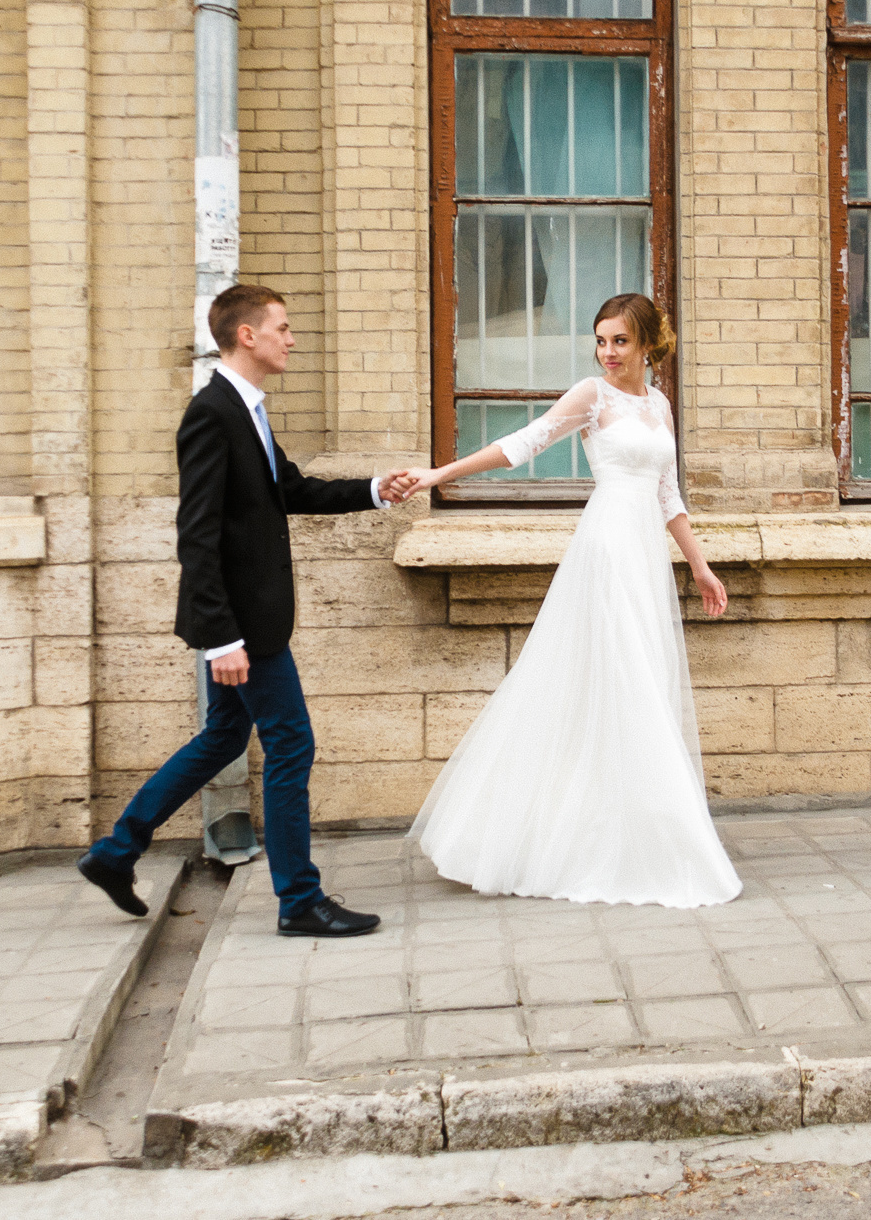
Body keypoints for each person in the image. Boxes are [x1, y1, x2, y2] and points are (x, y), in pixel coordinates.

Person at [78, 284, 417, 937]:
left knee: (223, 737)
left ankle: (116, 852)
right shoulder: (212, 414)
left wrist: (376, 489)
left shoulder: (249, 411)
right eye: (282, 328)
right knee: (292, 742)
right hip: (242, 625)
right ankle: (298, 901)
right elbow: (197, 535)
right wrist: (222, 637)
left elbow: (289, 490)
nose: (292, 339)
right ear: (247, 336)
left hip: (244, 621)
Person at [392, 294, 741, 907]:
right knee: (616, 677)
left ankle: (629, 830)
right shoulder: (591, 395)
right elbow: (520, 444)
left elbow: (669, 494)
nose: (608, 353)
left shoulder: (658, 404)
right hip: (606, 548)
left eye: (621, 342)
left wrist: (701, 567)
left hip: (644, 558)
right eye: (601, 341)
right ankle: (607, 840)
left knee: (641, 681)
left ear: (649, 344)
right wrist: (436, 476)